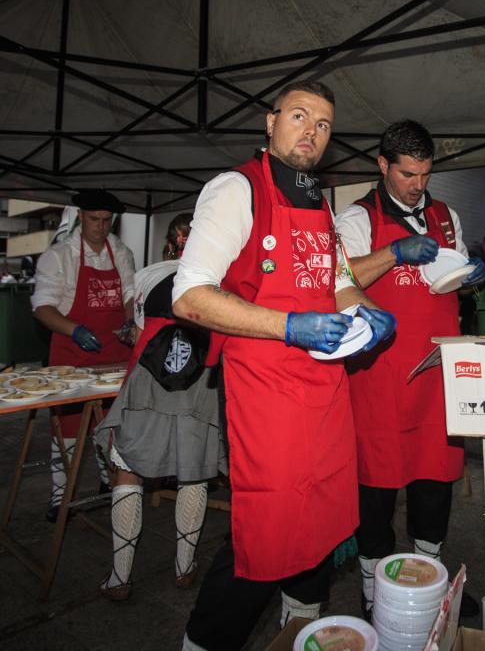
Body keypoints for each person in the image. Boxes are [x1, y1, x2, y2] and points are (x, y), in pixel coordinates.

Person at [172, 81, 396, 650]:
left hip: (323, 387)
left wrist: (369, 311)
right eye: (298, 116)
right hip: (264, 389)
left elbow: (339, 282)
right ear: (270, 123)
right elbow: (189, 297)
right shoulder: (236, 189)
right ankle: (204, 642)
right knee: (266, 533)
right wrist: (289, 325)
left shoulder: (319, 200)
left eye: (322, 125)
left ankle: (300, 629)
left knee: (321, 520)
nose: (310, 132)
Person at [334, 120, 485, 619]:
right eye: (407, 174)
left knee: (435, 481)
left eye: (425, 174)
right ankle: (373, 591)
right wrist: (394, 252)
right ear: (383, 165)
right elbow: (338, 277)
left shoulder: (446, 215)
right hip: (379, 378)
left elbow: (452, 279)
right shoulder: (357, 218)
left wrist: (473, 276)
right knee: (376, 489)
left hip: (436, 376)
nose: (418, 185)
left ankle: (429, 582)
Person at [93, 212, 223, 601]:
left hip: (147, 380)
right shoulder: (219, 279)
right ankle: (184, 568)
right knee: (193, 471)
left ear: (170, 243)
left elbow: (136, 334)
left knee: (127, 469)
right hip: (199, 383)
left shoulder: (148, 274)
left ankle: (120, 577)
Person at [31, 189, 137, 522]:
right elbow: (43, 307)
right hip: (72, 355)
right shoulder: (58, 255)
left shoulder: (121, 252)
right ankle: (60, 495)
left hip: (115, 354)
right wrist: (73, 329)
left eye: (107, 220)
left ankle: (109, 482)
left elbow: (130, 294)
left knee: (111, 425)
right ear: (80, 216)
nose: (101, 227)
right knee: (67, 429)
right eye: (94, 219)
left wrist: (131, 320)